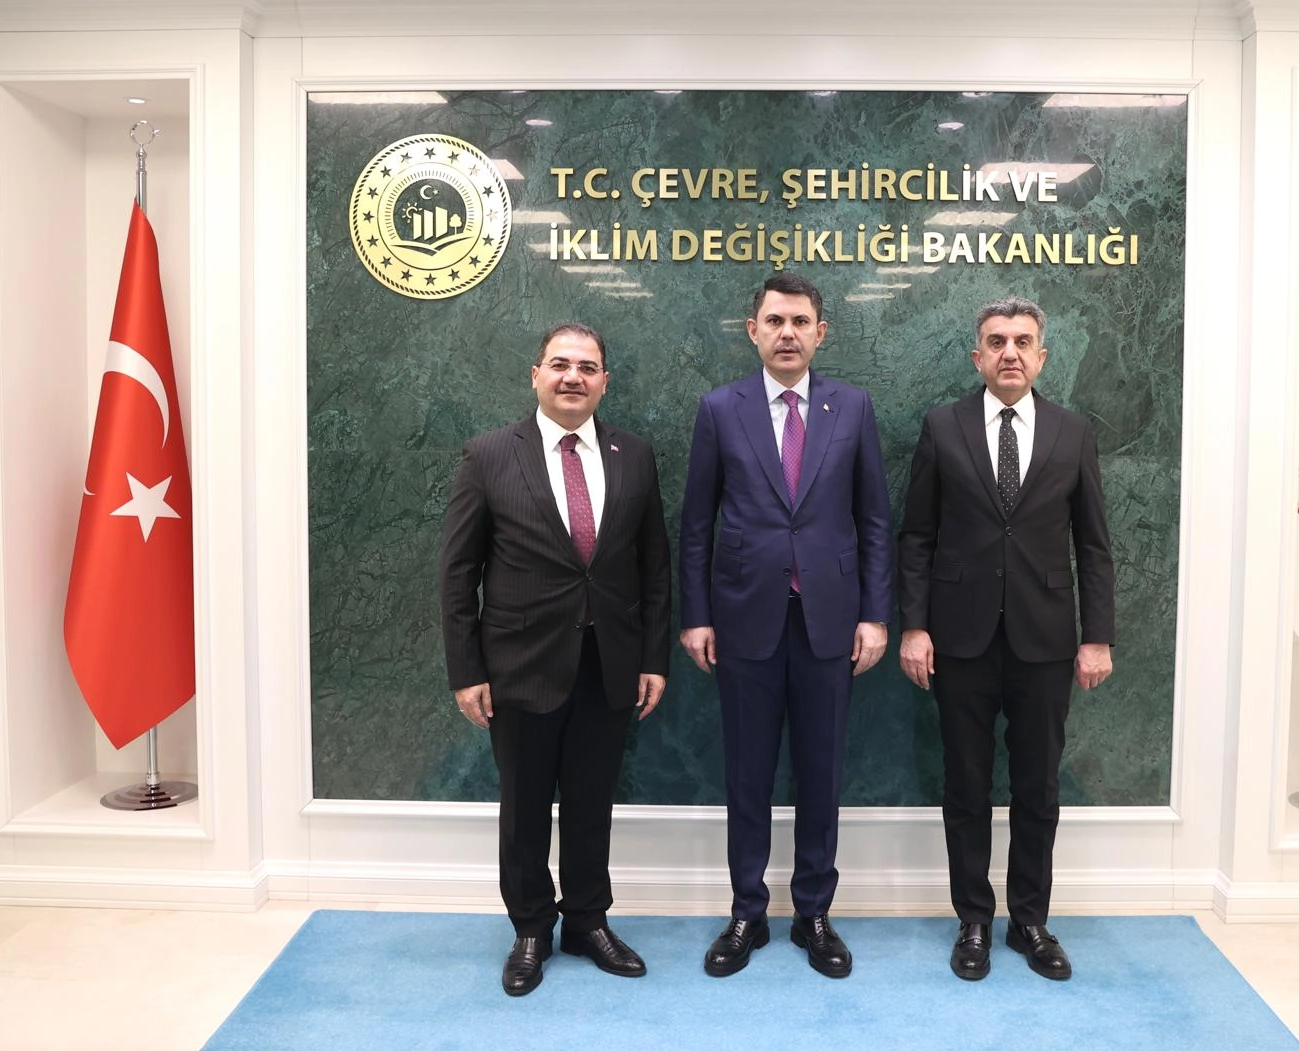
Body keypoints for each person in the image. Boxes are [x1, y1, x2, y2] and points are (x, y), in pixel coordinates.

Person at [440, 323, 671, 997]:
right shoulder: (489, 455)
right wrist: (466, 671)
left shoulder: (634, 455)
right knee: (525, 807)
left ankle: (588, 922)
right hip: (518, 666)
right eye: (561, 365)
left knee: (593, 803)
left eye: (588, 367)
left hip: (609, 664)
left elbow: (654, 569)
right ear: (535, 375)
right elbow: (458, 573)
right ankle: (531, 929)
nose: (574, 377)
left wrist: (652, 658)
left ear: (604, 382)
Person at [679, 272, 893, 979]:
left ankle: (813, 913)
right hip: (744, 619)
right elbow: (696, 526)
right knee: (746, 772)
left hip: (830, 620)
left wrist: (875, 614)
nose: (787, 334)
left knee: (821, 774)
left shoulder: (852, 406)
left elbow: (873, 520)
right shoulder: (721, 409)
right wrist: (696, 617)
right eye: (774, 321)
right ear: (753, 331)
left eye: (800, 322)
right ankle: (747, 910)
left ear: (820, 333)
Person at [898, 296, 1115, 982]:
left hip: (1045, 641)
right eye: (996, 341)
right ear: (978, 356)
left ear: (1041, 356)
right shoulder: (943, 426)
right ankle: (972, 919)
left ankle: (1029, 920)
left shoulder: (1073, 432)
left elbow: (1094, 545)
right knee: (965, 786)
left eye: (1023, 341)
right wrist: (914, 626)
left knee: (1037, 787)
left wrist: (1097, 637)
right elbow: (917, 536)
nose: (1010, 353)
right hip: (958, 639)